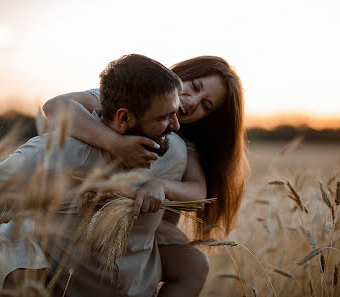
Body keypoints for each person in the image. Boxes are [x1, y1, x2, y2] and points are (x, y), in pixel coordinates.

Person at [0, 54, 187, 296]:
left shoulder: (174, 153)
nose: (176, 125)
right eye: (164, 117)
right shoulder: (50, 157)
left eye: (175, 113)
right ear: (124, 118)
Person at [43, 55, 247, 297]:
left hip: (137, 233)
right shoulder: (134, 97)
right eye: (195, 87)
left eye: (206, 106)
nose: (193, 101)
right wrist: (114, 142)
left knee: (194, 265)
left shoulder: (186, 144)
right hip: (76, 216)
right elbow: (55, 107)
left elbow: (197, 192)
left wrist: (161, 185)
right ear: (181, 74)